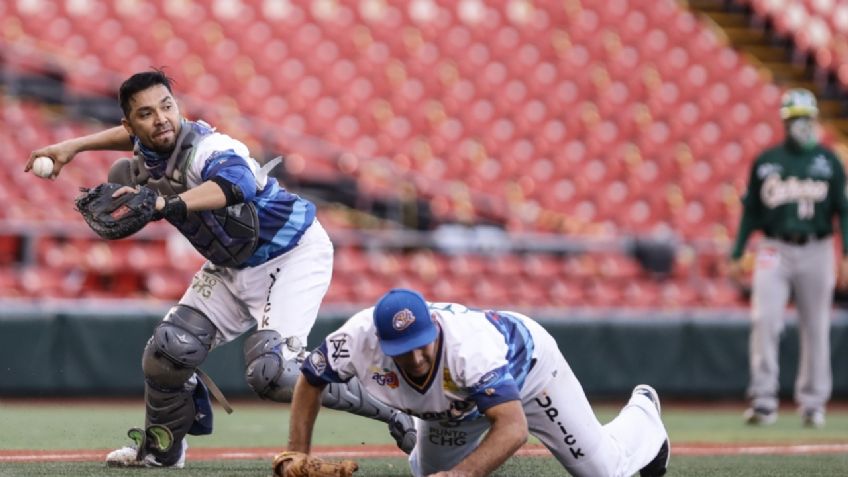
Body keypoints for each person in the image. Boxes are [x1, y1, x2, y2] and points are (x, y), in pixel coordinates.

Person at [26, 69, 415, 468]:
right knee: (166, 354)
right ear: (130, 124)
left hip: (292, 252)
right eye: (146, 113)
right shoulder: (147, 150)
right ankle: (163, 451)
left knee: (273, 371)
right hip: (233, 264)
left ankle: (396, 408)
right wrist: (72, 146)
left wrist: (165, 205)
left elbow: (240, 184)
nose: (161, 118)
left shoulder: (210, 148)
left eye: (167, 106)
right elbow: (135, 139)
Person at [285, 288, 670, 477]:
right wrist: (297, 452)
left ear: (434, 328)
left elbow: (514, 427)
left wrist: (462, 475)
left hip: (529, 375)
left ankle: (643, 413)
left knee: (604, 472)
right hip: (451, 408)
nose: (416, 358)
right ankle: (416, 437)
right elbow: (310, 379)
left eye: (422, 345)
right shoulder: (357, 338)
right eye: (403, 350)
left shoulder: (471, 348)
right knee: (424, 474)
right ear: (382, 343)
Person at [729, 88, 848, 428]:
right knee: (765, 319)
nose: (801, 125)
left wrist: (847, 255)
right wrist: (738, 250)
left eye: (806, 118)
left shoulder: (830, 161)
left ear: (815, 120)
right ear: (785, 121)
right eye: (795, 119)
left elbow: (844, 210)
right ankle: (764, 399)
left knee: (816, 326)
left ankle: (813, 403)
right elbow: (751, 211)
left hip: (818, 247)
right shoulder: (768, 160)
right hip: (774, 248)